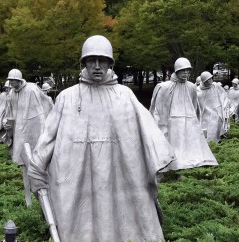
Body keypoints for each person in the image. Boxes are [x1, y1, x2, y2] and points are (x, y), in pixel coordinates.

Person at [28, 35, 174, 242]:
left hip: (121, 175)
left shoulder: (124, 95)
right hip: (78, 177)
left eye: (102, 61)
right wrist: (37, 164)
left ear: (110, 63)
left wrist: (158, 163)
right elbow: (49, 138)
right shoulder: (67, 98)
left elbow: (148, 134)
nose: (97, 66)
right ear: (83, 63)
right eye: (91, 61)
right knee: (81, 222)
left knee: (126, 220)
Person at [149, 57, 218, 173]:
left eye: (188, 71)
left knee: (191, 142)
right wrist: (162, 123)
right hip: (174, 119)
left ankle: (191, 161)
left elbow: (194, 104)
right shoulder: (165, 87)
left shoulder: (191, 86)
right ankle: (174, 163)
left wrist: (195, 120)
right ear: (177, 71)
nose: (186, 73)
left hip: (189, 118)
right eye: (183, 70)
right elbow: (160, 107)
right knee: (176, 144)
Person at [2, 68, 53, 206]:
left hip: (36, 132)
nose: (11, 83)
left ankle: (47, 200)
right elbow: (9, 113)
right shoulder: (11, 93)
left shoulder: (32, 89)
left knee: (41, 165)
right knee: (24, 166)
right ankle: (28, 202)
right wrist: (6, 123)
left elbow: (45, 105)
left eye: (13, 80)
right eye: (10, 80)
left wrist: (47, 131)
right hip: (20, 133)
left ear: (19, 80)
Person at [197, 71, 229, 143]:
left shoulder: (215, 86)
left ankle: (217, 140)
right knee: (206, 127)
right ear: (204, 81)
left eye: (211, 78)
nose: (210, 80)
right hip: (206, 112)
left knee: (217, 125)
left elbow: (223, 94)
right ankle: (208, 142)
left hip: (217, 110)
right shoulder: (199, 90)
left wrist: (224, 104)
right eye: (208, 79)